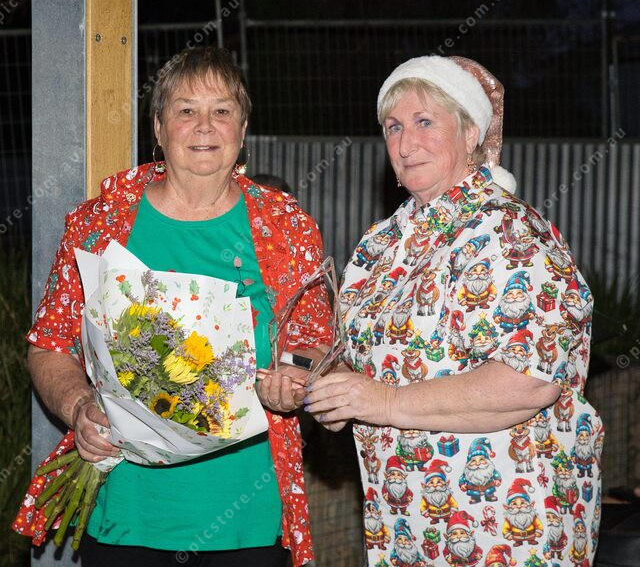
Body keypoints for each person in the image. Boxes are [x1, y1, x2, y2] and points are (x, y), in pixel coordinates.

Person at [13, 47, 331, 567]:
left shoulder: (286, 227)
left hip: (248, 519)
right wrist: (78, 406)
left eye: (222, 110)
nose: (205, 126)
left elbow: (315, 345)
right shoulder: (102, 223)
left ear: (242, 128)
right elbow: (49, 344)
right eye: (186, 110)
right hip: (127, 514)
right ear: (158, 129)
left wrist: (295, 378)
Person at [304, 55, 603, 566]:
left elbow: (529, 381)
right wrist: (320, 385)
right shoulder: (382, 244)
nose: (405, 143)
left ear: (470, 133)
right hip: (405, 523)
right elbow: (367, 366)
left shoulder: (508, 231)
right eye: (394, 127)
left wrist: (385, 402)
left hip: (506, 529)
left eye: (425, 122)